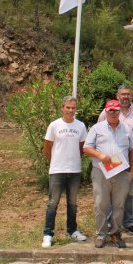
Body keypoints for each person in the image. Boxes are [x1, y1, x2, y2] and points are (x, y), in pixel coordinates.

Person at [96, 84, 133, 235]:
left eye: (128, 94)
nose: (125, 97)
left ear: (131, 95)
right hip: (112, 160)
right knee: (109, 194)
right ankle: (109, 224)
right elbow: (98, 132)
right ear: (117, 95)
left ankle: (127, 222)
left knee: (129, 194)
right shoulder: (107, 112)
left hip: (132, 161)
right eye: (123, 94)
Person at [83, 99, 133, 249]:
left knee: (119, 205)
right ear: (106, 112)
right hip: (101, 172)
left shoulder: (127, 129)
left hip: (121, 173)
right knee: (101, 204)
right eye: (110, 111)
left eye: (116, 111)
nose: (113, 113)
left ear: (120, 112)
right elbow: (87, 148)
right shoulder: (97, 128)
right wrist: (100, 155)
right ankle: (101, 234)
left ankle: (115, 233)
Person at [41, 96, 88, 248]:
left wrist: (72, 160)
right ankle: (48, 234)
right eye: (68, 107)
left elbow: (82, 148)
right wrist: (56, 161)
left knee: (73, 203)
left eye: (73, 108)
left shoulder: (80, 126)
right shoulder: (54, 125)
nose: (70, 110)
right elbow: (47, 148)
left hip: (74, 170)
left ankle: (72, 230)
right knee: (53, 203)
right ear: (62, 108)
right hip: (57, 170)